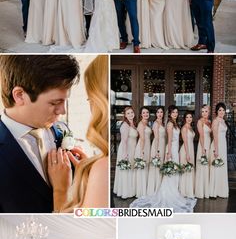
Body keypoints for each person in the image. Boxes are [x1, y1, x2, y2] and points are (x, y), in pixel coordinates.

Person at [0, 54, 80, 214]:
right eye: (55, 103)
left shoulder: (61, 128)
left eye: (65, 101)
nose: (62, 111)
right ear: (20, 95)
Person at [47, 55, 109, 211]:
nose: (62, 111)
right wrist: (90, 173)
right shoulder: (102, 167)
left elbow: (89, 231)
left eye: (90, 99)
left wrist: (61, 190)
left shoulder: (103, 168)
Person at [130, 105, 197, 212]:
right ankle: (168, 192)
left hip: (174, 148)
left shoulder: (172, 123)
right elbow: (169, 140)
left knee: (174, 171)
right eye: (173, 112)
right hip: (171, 149)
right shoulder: (170, 124)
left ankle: (174, 190)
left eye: (176, 112)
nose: (175, 114)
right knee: (171, 170)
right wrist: (169, 152)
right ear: (169, 114)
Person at [113, 106, 138, 199]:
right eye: (128, 113)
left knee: (131, 169)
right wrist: (125, 154)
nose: (130, 114)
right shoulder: (125, 125)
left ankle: (131, 189)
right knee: (126, 170)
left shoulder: (133, 124)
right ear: (125, 115)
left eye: (131, 112)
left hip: (133, 149)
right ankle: (125, 192)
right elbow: (124, 141)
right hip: (126, 150)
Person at [209, 102, 229, 198]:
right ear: (216, 111)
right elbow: (215, 136)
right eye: (219, 110)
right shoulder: (215, 121)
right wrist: (216, 149)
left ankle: (221, 190)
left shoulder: (223, 121)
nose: (221, 112)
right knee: (216, 167)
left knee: (221, 166)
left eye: (223, 110)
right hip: (217, 145)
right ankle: (214, 191)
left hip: (223, 145)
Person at [147, 106, 166, 195]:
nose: (160, 114)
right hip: (157, 146)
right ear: (156, 114)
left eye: (161, 112)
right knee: (156, 167)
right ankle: (155, 188)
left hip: (162, 145)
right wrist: (157, 151)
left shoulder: (162, 123)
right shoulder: (155, 123)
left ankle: (161, 186)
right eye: (158, 112)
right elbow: (157, 138)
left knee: (161, 165)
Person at [133, 107, 152, 197]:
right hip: (142, 147)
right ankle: (141, 191)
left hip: (147, 147)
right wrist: (142, 151)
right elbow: (142, 138)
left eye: (147, 112)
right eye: (144, 113)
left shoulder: (146, 123)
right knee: (142, 168)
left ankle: (145, 189)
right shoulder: (141, 124)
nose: (146, 114)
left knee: (146, 167)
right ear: (141, 114)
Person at [195, 105, 212, 199]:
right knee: (203, 167)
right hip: (203, 145)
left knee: (207, 166)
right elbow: (201, 136)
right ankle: (201, 190)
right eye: (202, 112)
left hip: (209, 144)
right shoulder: (200, 122)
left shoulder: (209, 122)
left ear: (208, 112)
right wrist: (203, 149)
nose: (204, 113)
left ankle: (207, 189)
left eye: (206, 111)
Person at [179, 111, 195, 198]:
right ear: (184, 119)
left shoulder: (190, 127)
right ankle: (184, 191)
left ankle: (189, 189)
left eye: (190, 117)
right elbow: (185, 142)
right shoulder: (184, 128)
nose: (189, 119)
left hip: (191, 149)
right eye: (187, 117)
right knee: (185, 170)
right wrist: (187, 154)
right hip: (186, 150)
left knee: (189, 169)